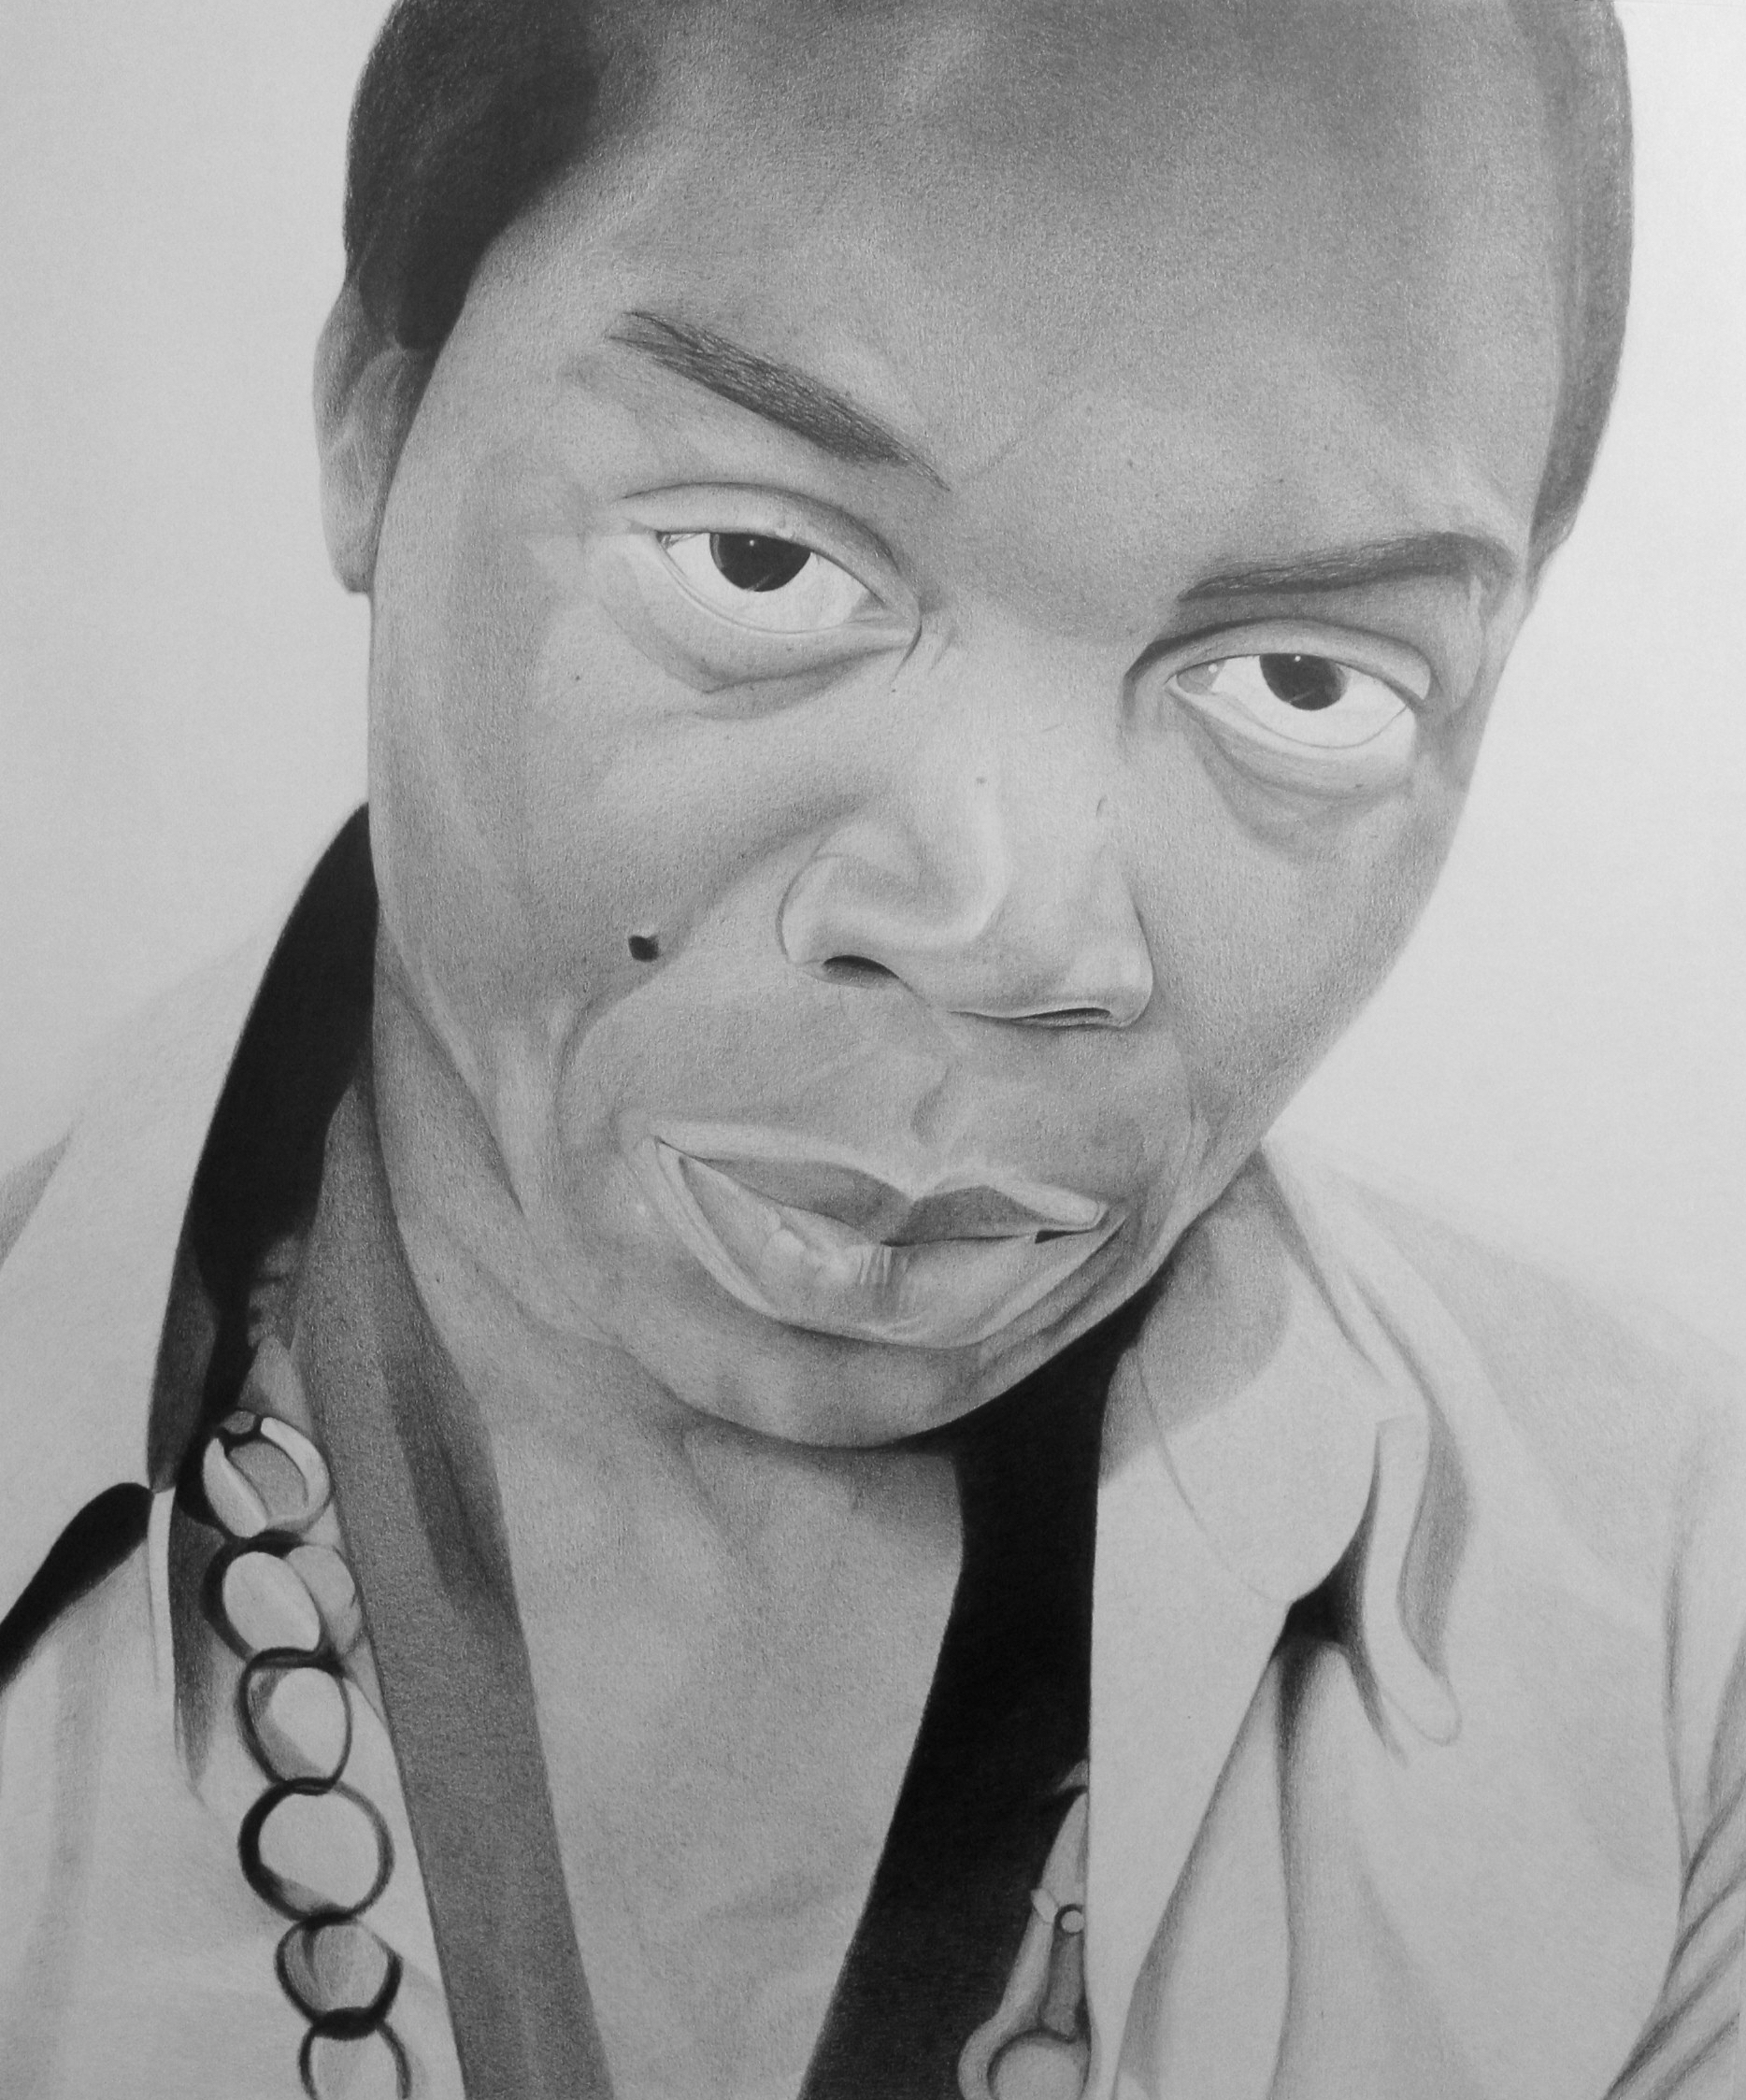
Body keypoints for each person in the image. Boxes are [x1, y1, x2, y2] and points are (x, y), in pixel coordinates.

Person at [2, 1, 1739, 2094]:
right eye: (760, 561)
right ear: (374, 413)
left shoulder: (1682, 1653)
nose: (1011, 926)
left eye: (1306, 681)